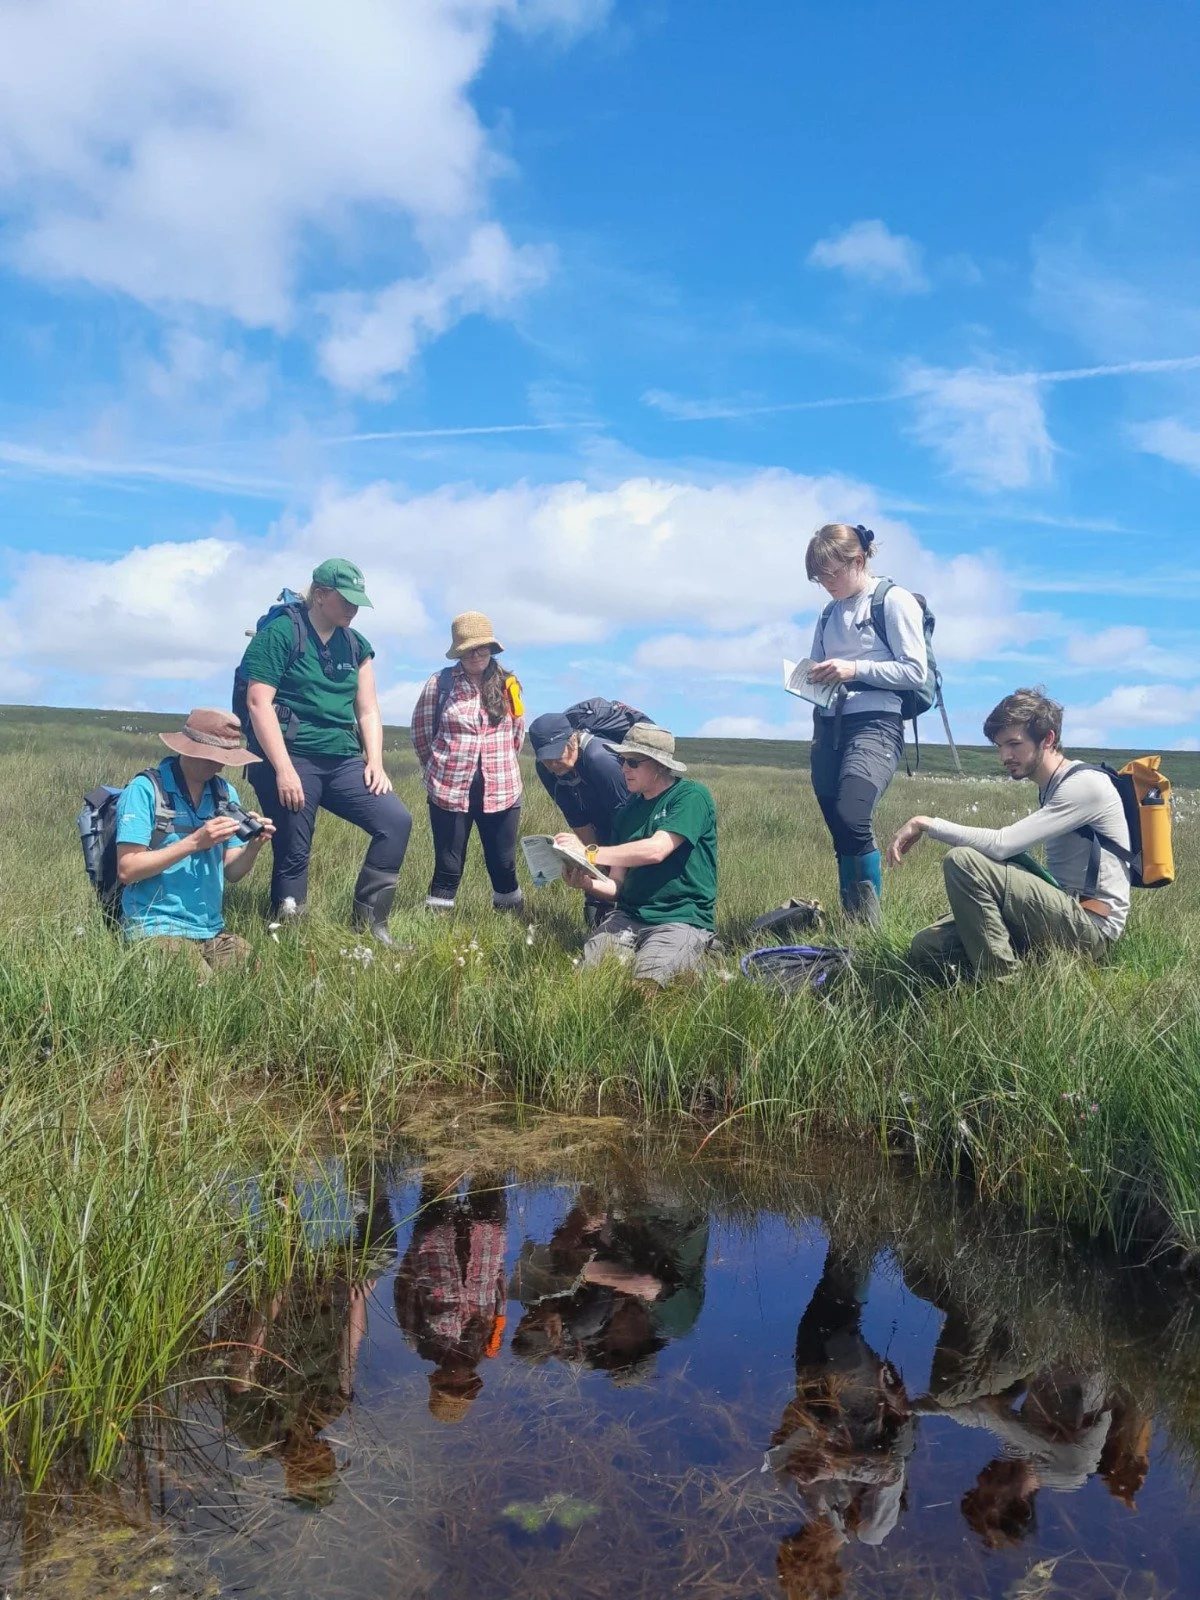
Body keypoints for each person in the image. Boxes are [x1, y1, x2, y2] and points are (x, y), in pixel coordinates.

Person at [889, 687, 1132, 982]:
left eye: (1014, 744)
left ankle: (1002, 985)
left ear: (1048, 739)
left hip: (1092, 930)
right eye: (999, 746)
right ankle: (1030, 966)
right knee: (927, 946)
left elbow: (1002, 845)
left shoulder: (1084, 785)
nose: (1005, 756)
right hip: (1063, 912)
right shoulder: (1050, 787)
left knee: (964, 861)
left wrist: (926, 823)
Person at [242, 558, 412, 946]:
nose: (353, 609)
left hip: (343, 759)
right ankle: (290, 936)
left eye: (357, 602)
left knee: (395, 821)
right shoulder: (282, 633)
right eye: (346, 600)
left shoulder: (356, 645)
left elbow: (367, 710)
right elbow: (258, 703)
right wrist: (283, 770)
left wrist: (375, 762)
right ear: (319, 595)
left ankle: (371, 926)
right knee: (293, 849)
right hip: (290, 756)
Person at [805, 523, 928, 924]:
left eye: (831, 573)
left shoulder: (893, 601)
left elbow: (914, 671)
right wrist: (809, 679)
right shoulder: (828, 613)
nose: (825, 583)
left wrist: (852, 669)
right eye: (818, 576)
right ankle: (851, 924)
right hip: (828, 726)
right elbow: (820, 670)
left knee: (853, 815)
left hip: (876, 724)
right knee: (839, 828)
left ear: (858, 561)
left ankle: (869, 929)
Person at [555, 724, 719, 986]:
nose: (623, 769)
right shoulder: (626, 812)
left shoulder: (691, 797)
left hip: (680, 918)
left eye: (632, 762)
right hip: (628, 916)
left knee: (648, 984)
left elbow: (657, 850)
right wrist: (586, 883)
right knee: (588, 980)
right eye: (622, 761)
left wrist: (589, 853)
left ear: (658, 765)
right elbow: (616, 887)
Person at [115, 708, 274, 972]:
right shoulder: (144, 790)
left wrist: (253, 848)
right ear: (190, 749)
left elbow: (232, 872)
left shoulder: (224, 792)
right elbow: (127, 869)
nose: (221, 765)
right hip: (155, 927)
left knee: (256, 975)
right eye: (214, 758)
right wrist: (195, 842)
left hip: (211, 930)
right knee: (203, 991)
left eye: (226, 758)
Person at [411, 612, 526, 915]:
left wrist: (496, 766)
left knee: (503, 865)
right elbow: (422, 732)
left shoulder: (509, 685)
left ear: (492, 649)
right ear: (458, 651)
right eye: (469, 649)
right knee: (448, 866)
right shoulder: (440, 684)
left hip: (502, 793)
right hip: (448, 793)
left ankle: (510, 923)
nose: (476, 655)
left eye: (482, 648)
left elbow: (517, 735)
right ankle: (435, 925)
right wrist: (439, 768)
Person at [393, 1175, 508, 1424]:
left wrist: (417, 1247)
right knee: (493, 1171)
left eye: (450, 1387)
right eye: (463, 1387)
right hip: (488, 1242)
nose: (457, 1381)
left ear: (437, 1380)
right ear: (472, 1382)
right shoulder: (489, 1343)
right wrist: (499, 1263)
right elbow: (500, 1295)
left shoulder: (418, 1341)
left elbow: (404, 1289)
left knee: (440, 1174)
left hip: (434, 1243)